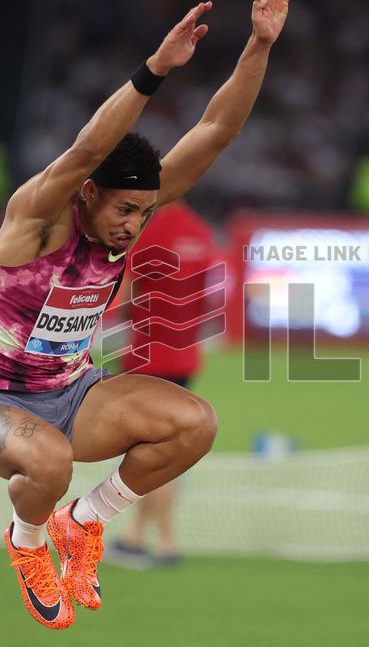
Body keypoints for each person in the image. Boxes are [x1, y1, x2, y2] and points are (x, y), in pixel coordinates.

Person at [0, 0, 299, 630]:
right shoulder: (37, 221)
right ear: (87, 196)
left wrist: (258, 46)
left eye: (144, 211)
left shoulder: (130, 217)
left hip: (72, 393)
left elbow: (215, 131)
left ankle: (85, 523)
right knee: (45, 459)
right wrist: (156, 70)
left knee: (194, 422)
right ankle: (27, 546)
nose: (136, 225)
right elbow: (82, 152)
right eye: (125, 209)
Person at [108, 199, 219, 568]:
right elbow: (207, 301)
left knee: (149, 454)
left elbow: (124, 301)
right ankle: (135, 537)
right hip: (185, 357)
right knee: (161, 450)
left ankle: (167, 542)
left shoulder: (147, 232)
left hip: (147, 356)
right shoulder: (201, 232)